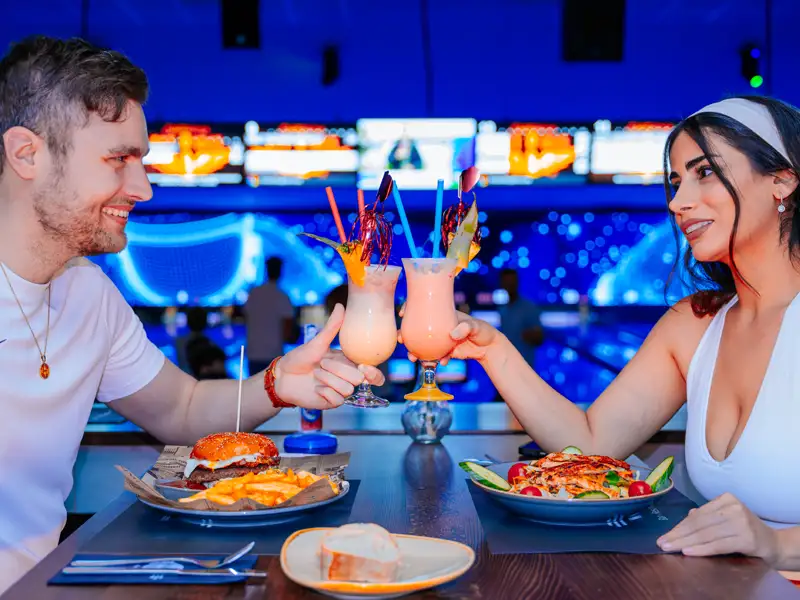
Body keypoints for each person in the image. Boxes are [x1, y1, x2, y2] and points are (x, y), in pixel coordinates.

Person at [0, 35, 383, 592]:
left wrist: (277, 383)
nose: (144, 188)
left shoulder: (89, 294)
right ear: (26, 154)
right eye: (118, 159)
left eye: (141, 160)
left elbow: (180, 408)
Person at [406, 96, 800, 572]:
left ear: (782, 180)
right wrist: (494, 350)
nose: (677, 202)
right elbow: (591, 445)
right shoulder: (695, 323)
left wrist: (777, 545)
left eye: (705, 172)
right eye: (676, 182)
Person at [244, 256, 295, 374]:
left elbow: (246, 317)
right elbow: (287, 328)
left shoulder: (254, 293)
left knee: (253, 385)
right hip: (274, 354)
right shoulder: (282, 296)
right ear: (280, 272)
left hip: (254, 352)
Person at [496, 268, 544, 367]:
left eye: (512, 281)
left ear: (517, 282)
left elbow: (539, 338)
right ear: (502, 284)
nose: (510, 284)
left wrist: (530, 335)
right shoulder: (503, 309)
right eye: (507, 281)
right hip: (506, 365)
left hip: (524, 366)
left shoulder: (528, 307)